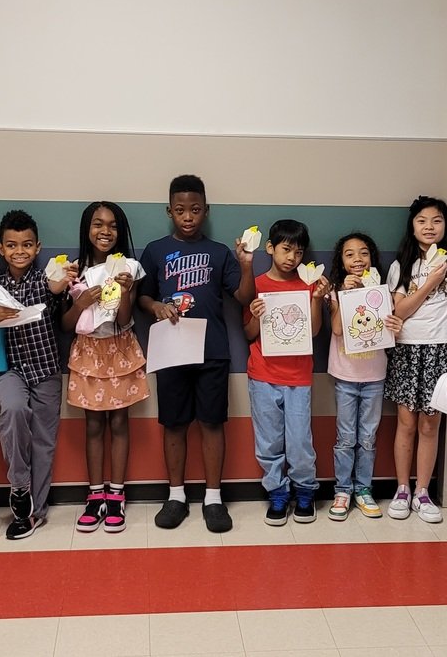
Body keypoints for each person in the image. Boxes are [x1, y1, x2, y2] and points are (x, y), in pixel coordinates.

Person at [138, 175, 255, 533]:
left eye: (195, 209)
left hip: (212, 351)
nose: (187, 217)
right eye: (180, 210)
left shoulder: (219, 252)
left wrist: (246, 265)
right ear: (169, 211)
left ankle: (213, 499)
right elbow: (142, 296)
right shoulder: (155, 251)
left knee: (211, 423)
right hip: (171, 350)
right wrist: (155, 306)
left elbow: (244, 297)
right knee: (173, 423)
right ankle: (176, 496)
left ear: (206, 210)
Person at [0, 210, 75, 540]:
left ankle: (34, 513)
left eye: (27, 245)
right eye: (12, 245)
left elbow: (58, 298)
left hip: (46, 370)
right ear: (1, 248)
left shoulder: (45, 281)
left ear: (37, 247)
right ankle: (19, 488)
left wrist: (60, 286)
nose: (20, 251)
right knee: (13, 413)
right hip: (10, 372)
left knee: (43, 441)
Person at [385, 196, 447, 524]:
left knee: (430, 424)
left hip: (442, 351)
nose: (429, 227)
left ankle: (422, 492)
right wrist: (430, 283)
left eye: (436, 220)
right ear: (412, 227)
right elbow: (399, 311)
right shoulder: (401, 265)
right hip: (407, 350)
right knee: (406, 423)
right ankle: (402, 489)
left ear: (446, 226)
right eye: (422, 220)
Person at [62, 202, 149, 533]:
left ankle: (117, 495)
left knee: (120, 422)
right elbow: (66, 324)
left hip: (119, 348)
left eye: (113, 225)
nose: (105, 231)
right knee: (94, 425)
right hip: (88, 351)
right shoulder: (74, 271)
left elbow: (125, 319)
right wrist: (80, 303)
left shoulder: (129, 267)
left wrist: (125, 291)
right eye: (98, 224)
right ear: (87, 229)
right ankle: (95, 495)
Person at [244, 220, 329, 526]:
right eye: (286, 249)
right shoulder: (256, 285)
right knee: (268, 441)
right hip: (262, 375)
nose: (292, 257)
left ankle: (305, 491)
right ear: (270, 248)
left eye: (299, 251)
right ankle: (277, 492)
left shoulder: (309, 284)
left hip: (298, 377)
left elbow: (314, 331)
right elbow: (249, 333)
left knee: (299, 441)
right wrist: (255, 316)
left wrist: (316, 299)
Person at [325, 232, 402, 521]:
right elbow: (337, 329)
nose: (357, 259)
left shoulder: (382, 291)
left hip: (375, 376)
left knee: (368, 438)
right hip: (345, 376)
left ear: (372, 258)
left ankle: (363, 489)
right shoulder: (336, 290)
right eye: (349, 254)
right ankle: (343, 491)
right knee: (346, 438)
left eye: (364, 253)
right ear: (341, 261)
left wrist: (396, 326)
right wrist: (345, 295)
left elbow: (391, 330)